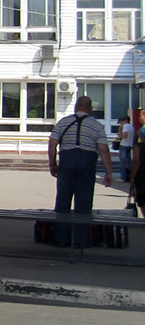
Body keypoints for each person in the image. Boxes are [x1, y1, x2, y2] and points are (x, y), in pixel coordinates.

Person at [47, 95, 113, 247]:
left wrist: (52, 164)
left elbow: (52, 144)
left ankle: (60, 238)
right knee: (83, 202)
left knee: (63, 200)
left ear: (76, 107)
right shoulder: (97, 126)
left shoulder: (63, 122)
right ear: (90, 109)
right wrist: (108, 173)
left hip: (67, 161)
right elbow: (103, 150)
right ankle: (79, 240)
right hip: (87, 162)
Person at [117, 115, 134, 182]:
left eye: (120, 122)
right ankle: (132, 175)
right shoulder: (131, 126)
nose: (120, 124)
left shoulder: (125, 126)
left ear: (124, 121)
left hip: (124, 145)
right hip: (129, 145)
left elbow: (125, 135)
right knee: (129, 162)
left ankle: (123, 177)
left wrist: (119, 134)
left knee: (123, 162)